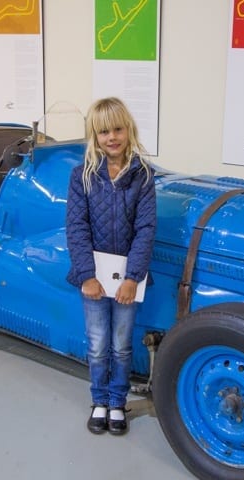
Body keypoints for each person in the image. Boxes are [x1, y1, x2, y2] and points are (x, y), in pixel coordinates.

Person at [65, 97, 157, 436]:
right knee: (98, 342)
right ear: (95, 135)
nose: (112, 137)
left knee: (121, 343)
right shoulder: (82, 176)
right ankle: (99, 400)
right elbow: (77, 227)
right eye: (104, 131)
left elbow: (146, 229)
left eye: (117, 129)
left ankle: (118, 401)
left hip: (126, 282)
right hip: (94, 280)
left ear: (128, 129)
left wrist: (134, 277)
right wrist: (86, 275)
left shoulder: (143, 176)